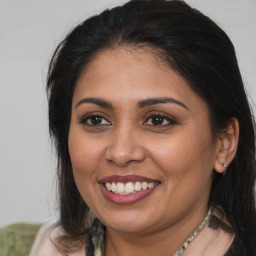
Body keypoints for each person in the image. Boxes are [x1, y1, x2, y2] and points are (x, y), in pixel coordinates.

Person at [30, 0, 256, 255]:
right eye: (96, 120)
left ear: (224, 144)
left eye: (158, 120)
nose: (121, 153)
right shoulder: (23, 246)